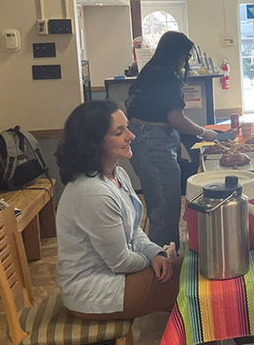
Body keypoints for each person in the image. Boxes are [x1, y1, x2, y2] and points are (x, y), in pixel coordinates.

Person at [55, 100, 181, 320]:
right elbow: (121, 261)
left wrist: (155, 252)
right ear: (94, 142)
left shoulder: (117, 174)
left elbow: (134, 231)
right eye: (119, 132)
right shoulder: (92, 192)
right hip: (94, 291)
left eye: (127, 128)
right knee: (190, 280)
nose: (131, 136)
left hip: (114, 276)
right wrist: (153, 260)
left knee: (188, 271)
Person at [125, 31, 218, 247]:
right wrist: (203, 132)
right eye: (185, 56)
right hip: (154, 142)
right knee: (165, 209)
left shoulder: (150, 72)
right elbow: (176, 118)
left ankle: (165, 258)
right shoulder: (167, 77)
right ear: (178, 54)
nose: (185, 61)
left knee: (159, 205)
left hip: (142, 139)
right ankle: (164, 268)